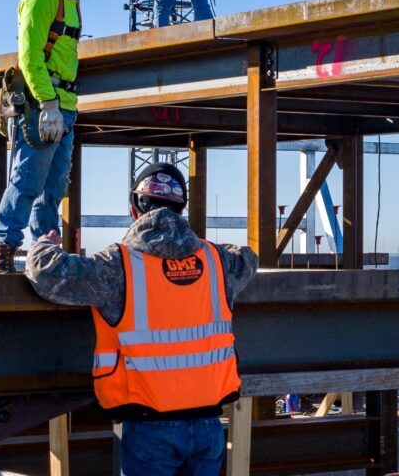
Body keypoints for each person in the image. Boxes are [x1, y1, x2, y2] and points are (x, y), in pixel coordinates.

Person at [26, 162, 258, 475]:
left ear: (135, 210)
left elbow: (45, 272)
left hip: (150, 428)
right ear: (181, 209)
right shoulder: (219, 262)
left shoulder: (117, 266)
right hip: (208, 427)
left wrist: (43, 245)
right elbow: (248, 257)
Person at [0, 0, 109, 274]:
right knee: (27, 181)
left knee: (53, 189)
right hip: (43, 105)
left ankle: (44, 252)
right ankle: (4, 253)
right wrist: (48, 103)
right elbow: (29, 57)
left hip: (65, 107)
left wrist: (62, 106)